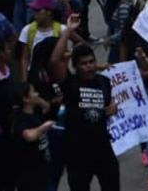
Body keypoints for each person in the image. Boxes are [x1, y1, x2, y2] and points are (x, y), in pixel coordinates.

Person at [50, 14, 120, 191]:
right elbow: (55, 60)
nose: (89, 66)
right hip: (77, 152)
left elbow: (103, 110)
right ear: (75, 66)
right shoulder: (70, 84)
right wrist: (68, 31)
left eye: (91, 62)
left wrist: (110, 110)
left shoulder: (104, 82)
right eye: (84, 64)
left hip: (103, 148)